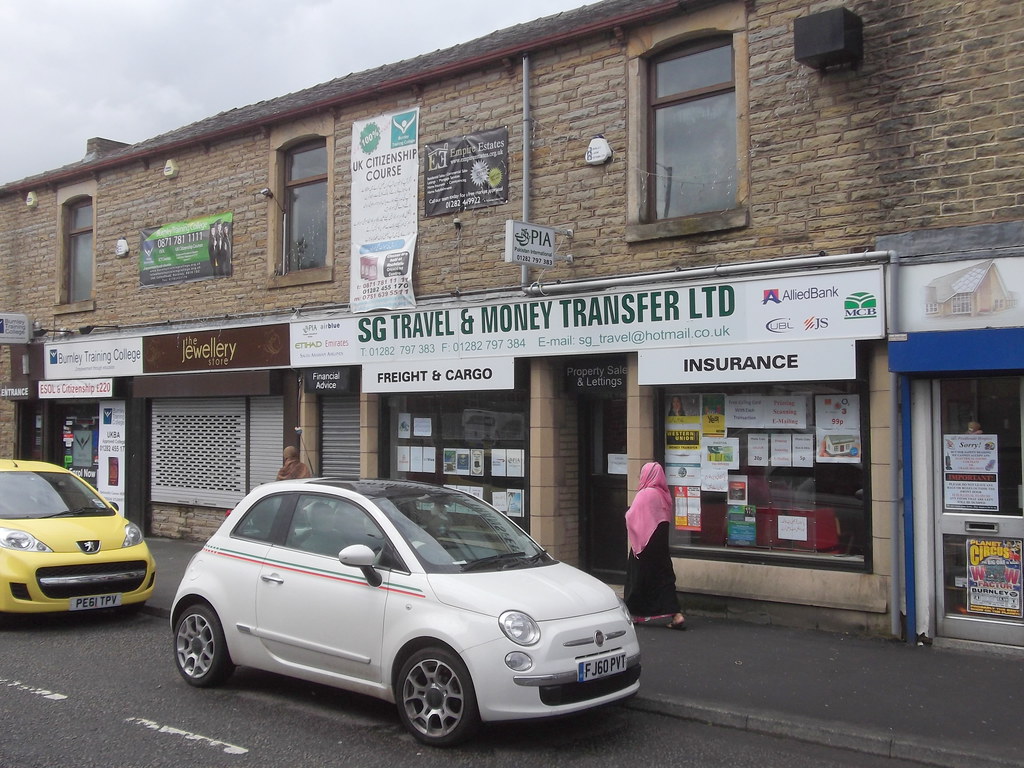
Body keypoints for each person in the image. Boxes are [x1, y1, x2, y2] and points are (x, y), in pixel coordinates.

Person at [624, 462, 686, 630]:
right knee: (664, 578)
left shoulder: (645, 494)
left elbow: (631, 516)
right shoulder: (664, 494)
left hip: (644, 544)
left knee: (638, 578)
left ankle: (634, 613)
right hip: (660, 544)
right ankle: (676, 614)